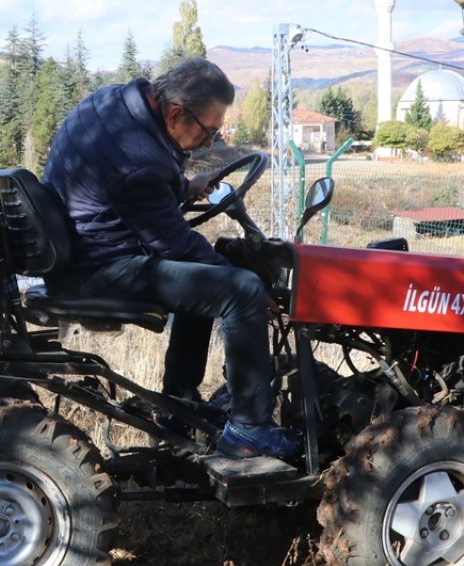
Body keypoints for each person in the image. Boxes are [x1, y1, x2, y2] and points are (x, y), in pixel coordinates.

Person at [41, 58, 297, 459]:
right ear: (176, 113)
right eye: (209, 131)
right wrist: (245, 281)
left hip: (81, 251)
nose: (210, 142)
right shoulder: (142, 160)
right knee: (241, 290)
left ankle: (179, 405)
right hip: (99, 269)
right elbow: (173, 241)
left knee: (207, 274)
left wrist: (183, 185)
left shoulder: (116, 102)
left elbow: (136, 176)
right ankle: (250, 430)